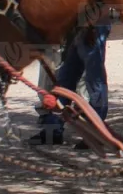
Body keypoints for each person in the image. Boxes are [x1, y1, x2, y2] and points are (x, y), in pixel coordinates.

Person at [30, 17, 113, 148]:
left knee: (95, 81)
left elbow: (101, 1)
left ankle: (97, 133)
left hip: (93, 25)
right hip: (75, 27)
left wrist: (91, 25)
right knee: (65, 79)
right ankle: (53, 131)